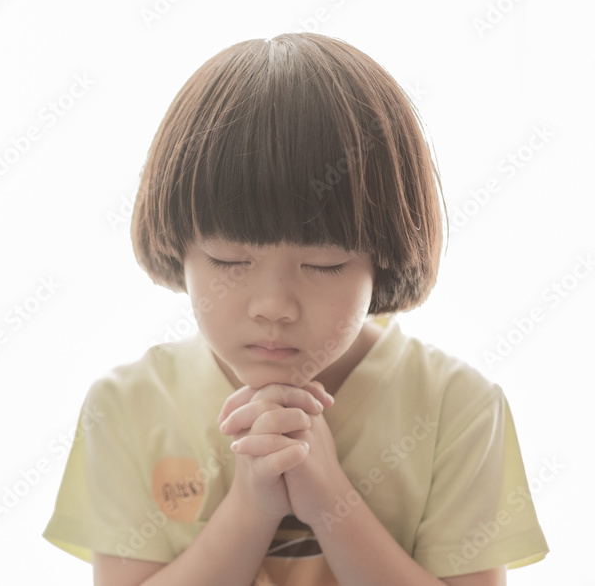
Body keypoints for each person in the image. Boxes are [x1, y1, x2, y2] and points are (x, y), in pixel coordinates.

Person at [42, 32, 548, 585]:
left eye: (325, 264)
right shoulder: (127, 407)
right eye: (228, 259)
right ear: (180, 247)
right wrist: (250, 509)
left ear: (383, 258)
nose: (273, 306)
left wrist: (331, 498)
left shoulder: (457, 408)